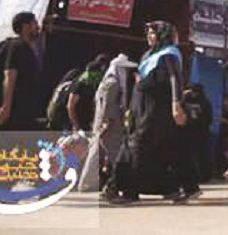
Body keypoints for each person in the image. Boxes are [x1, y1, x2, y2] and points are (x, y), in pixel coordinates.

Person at [112, 20, 198, 204]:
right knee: (156, 151)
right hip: (141, 108)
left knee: (139, 147)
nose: (149, 37)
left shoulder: (169, 54)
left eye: (153, 33)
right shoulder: (149, 55)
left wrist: (176, 103)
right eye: (148, 33)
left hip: (155, 110)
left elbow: (175, 78)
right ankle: (171, 189)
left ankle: (130, 192)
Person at [79, 53, 136, 194]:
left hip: (105, 124)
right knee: (115, 157)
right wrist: (107, 122)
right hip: (111, 125)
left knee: (99, 154)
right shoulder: (113, 83)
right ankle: (110, 186)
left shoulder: (107, 82)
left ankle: (92, 184)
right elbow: (109, 106)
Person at [0, 11, 44, 132]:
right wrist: (6, 107)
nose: (38, 27)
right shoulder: (17, 47)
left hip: (24, 111)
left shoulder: (27, 49)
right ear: (25, 26)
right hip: (14, 113)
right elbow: (10, 76)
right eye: (35, 23)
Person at [68, 54, 109, 133]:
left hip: (88, 121)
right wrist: (76, 126)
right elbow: (70, 106)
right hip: (76, 123)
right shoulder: (80, 83)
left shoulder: (93, 83)